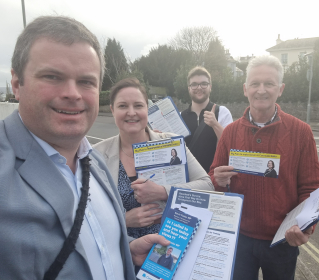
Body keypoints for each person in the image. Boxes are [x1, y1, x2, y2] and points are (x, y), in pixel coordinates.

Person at [0, 16, 169, 280]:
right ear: (17, 84)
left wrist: (122, 251)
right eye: (52, 76)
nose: (73, 93)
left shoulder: (94, 160)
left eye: (86, 81)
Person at [209, 55, 319, 280]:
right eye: (255, 84)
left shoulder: (301, 132)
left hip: (281, 241)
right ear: (245, 89)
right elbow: (214, 176)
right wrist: (217, 180)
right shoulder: (230, 132)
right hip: (238, 238)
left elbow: (311, 189)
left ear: (280, 89)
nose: (261, 90)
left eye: (269, 84)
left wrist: (305, 226)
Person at [93, 77, 213, 239]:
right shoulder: (97, 154)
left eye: (138, 105)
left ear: (147, 109)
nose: (131, 112)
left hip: (172, 243)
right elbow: (89, 213)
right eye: (122, 106)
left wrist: (163, 192)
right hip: (124, 252)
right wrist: (123, 219)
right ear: (112, 110)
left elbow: (207, 186)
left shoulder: (171, 143)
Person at [181, 66, 233, 173]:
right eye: (194, 84)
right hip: (187, 180)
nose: (199, 87)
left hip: (214, 179)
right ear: (189, 88)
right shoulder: (180, 116)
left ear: (210, 87)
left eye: (204, 84)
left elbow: (232, 145)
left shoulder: (222, 112)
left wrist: (215, 124)